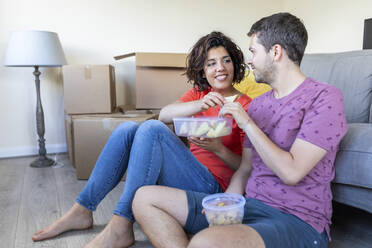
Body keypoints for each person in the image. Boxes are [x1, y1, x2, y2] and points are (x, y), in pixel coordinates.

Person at [132, 12, 348, 248]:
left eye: (253, 51)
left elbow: (292, 172)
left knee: (205, 243)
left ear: (275, 52)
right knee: (144, 199)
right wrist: (225, 205)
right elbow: (245, 169)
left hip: (297, 220)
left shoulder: (324, 97)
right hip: (248, 207)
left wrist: (246, 123)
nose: (249, 60)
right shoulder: (259, 104)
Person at [32, 31, 252, 247]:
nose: (220, 68)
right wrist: (199, 104)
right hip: (186, 174)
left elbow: (249, 168)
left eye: (226, 61)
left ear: (235, 64)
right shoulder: (198, 95)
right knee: (127, 128)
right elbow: (165, 114)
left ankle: (121, 224)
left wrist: (218, 149)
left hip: (214, 188)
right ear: (203, 71)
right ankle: (82, 209)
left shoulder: (246, 105)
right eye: (211, 63)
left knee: (152, 129)